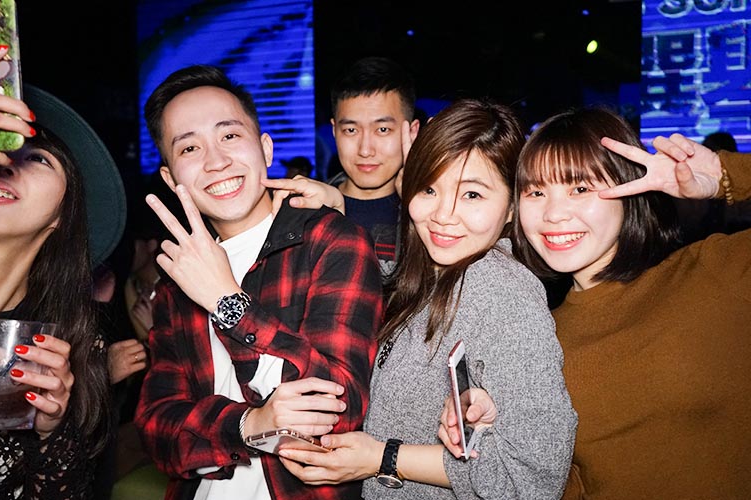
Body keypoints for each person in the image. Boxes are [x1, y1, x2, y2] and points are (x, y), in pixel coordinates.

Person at [277, 98, 577, 499]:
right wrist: (340, 213)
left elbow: (532, 480)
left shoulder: (504, 293)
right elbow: (379, 280)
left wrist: (384, 458)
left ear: (511, 207)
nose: (443, 214)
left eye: (472, 195)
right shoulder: (432, 273)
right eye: (430, 188)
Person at [134, 64, 384, 500]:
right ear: (172, 178)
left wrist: (227, 302)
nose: (216, 161)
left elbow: (339, 407)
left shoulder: (329, 240)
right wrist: (249, 424)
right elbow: (159, 432)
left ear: (265, 148)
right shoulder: (176, 281)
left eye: (230, 135)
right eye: (189, 148)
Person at [510, 106, 751, 499]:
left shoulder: (711, 274)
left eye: (580, 189)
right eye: (536, 192)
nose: (553, 214)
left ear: (630, 189)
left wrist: (724, 175)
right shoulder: (537, 339)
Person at [0, 45, 126, 500]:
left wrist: (52, 433)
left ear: (62, 216)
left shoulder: (74, 347)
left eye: (38, 157)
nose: (5, 159)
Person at [322, 56, 420, 275]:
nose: (365, 150)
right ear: (334, 131)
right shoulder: (309, 210)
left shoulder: (433, 219)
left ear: (412, 132)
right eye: (351, 130)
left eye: (382, 130)